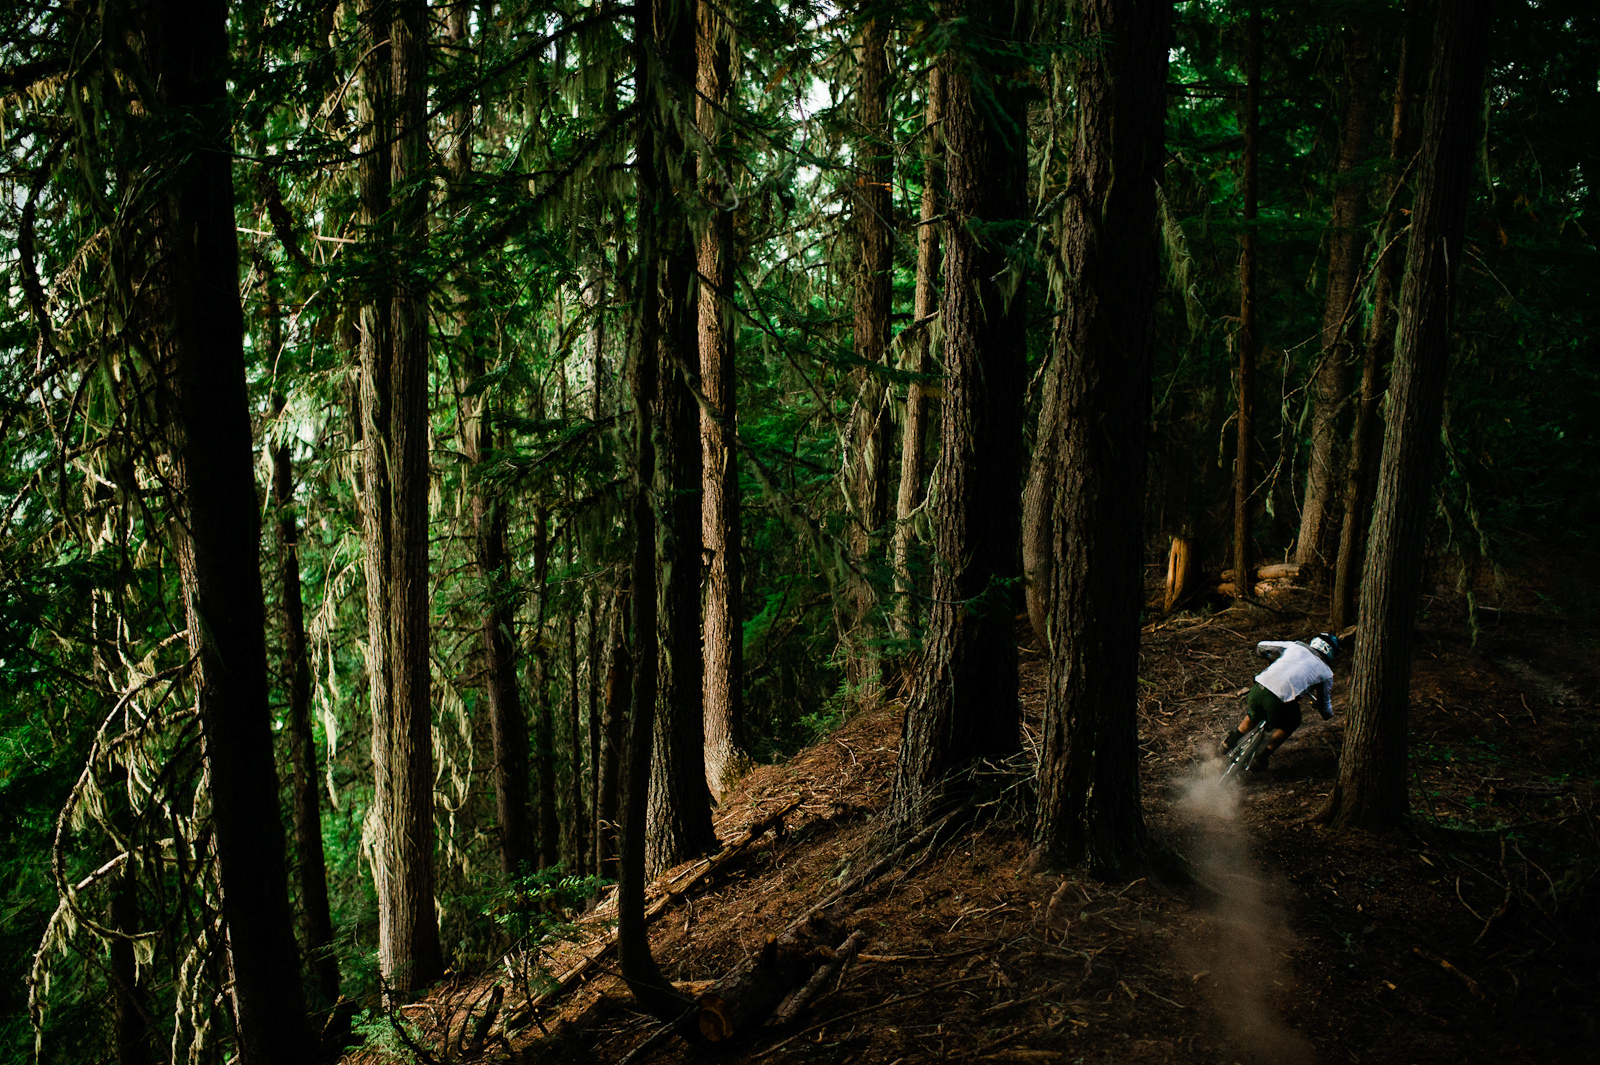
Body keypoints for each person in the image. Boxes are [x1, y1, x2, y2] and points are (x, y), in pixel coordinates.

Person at [1218, 632, 1340, 773]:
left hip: (1259, 688)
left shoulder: (1295, 646)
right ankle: (1262, 758)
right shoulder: (1326, 673)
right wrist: (1327, 715)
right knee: (1291, 723)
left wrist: (1270, 660)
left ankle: (1229, 742)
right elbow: (1324, 705)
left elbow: (1262, 646)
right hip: (1279, 701)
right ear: (1331, 653)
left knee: (1254, 715)